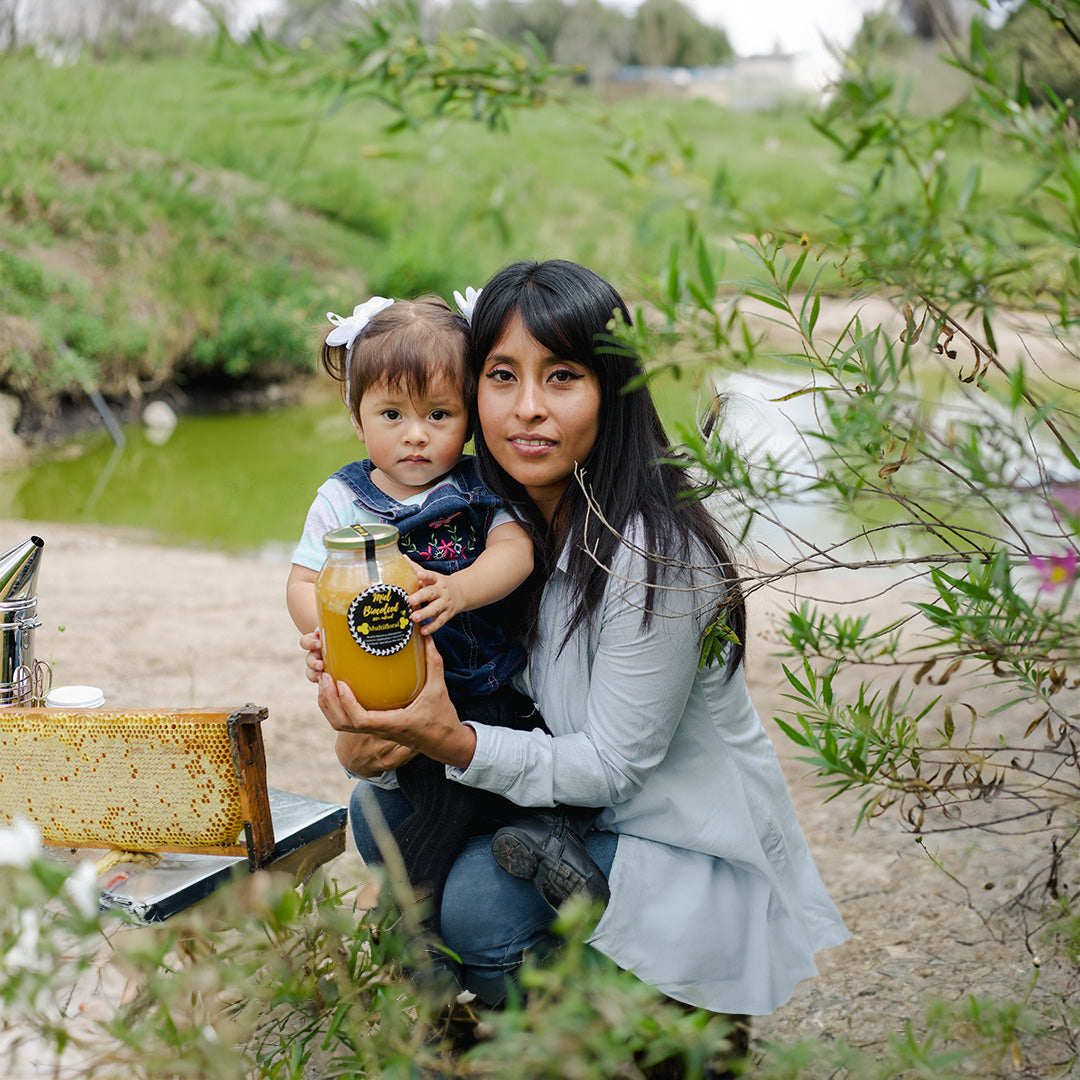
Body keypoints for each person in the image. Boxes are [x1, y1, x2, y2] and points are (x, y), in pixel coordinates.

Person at [309, 261, 849, 1023]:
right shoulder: (496, 525)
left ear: (612, 390)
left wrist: (453, 741)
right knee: (376, 809)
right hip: (561, 815)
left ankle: (655, 1027)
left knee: (476, 914)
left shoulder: (654, 550)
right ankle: (521, 1005)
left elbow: (613, 766)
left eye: (561, 376)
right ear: (471, 395)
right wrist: (373, 716)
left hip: (664, 838)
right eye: (502, 376)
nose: (527, 409)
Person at [287, 294, 609, 933]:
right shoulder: (341, 502)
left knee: (474, 777)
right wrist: (324, 630)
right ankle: (521, 850)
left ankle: (409, 926)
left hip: (486, 684)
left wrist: (460, 590)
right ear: (357, 420)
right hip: (400, 689)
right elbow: (302, 580)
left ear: (467, 417)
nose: (415, 434)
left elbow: (516, 549)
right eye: (391, 414)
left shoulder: (476, 485)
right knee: (433, 793)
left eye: (439, 414)